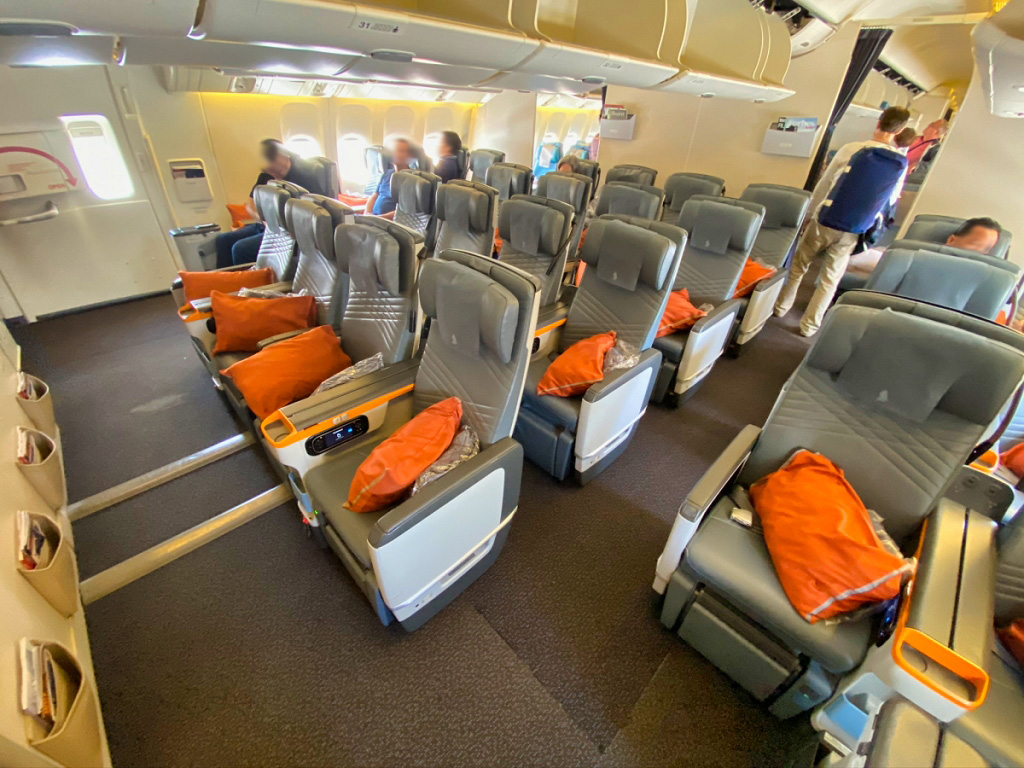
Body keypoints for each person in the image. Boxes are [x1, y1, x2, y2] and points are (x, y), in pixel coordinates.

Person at [774, 106, 911, 337]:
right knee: (830, 278)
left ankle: (781, 307)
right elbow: (889, 200)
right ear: (899, 131)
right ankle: (810, 326)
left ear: (879, 122)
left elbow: (825, 185)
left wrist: (808, 215)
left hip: (825, 219)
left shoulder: (851, 149)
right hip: (855, 227)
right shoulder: (900, 163)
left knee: (799, 266)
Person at [214, 139, 331, 268]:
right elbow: (250, 204)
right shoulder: (266, 175)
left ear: (284, 156)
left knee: (240, 249)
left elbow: (315, 211)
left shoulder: (304, 177)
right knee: (222, 240)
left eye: (274, 168)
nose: (272, 173)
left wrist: (273, 223)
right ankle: (224, 278)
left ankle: (251, 279)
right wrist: (263, 218)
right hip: (266, 225)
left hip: (286, 232)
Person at [365, 139, 413, 220]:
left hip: (389, 222)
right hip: (374, 219)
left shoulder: (412, 180)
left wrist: (379, 218)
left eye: (400, 151)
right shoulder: (387, 173)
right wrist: (366, 213)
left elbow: (404, 211)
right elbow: (374, 196)